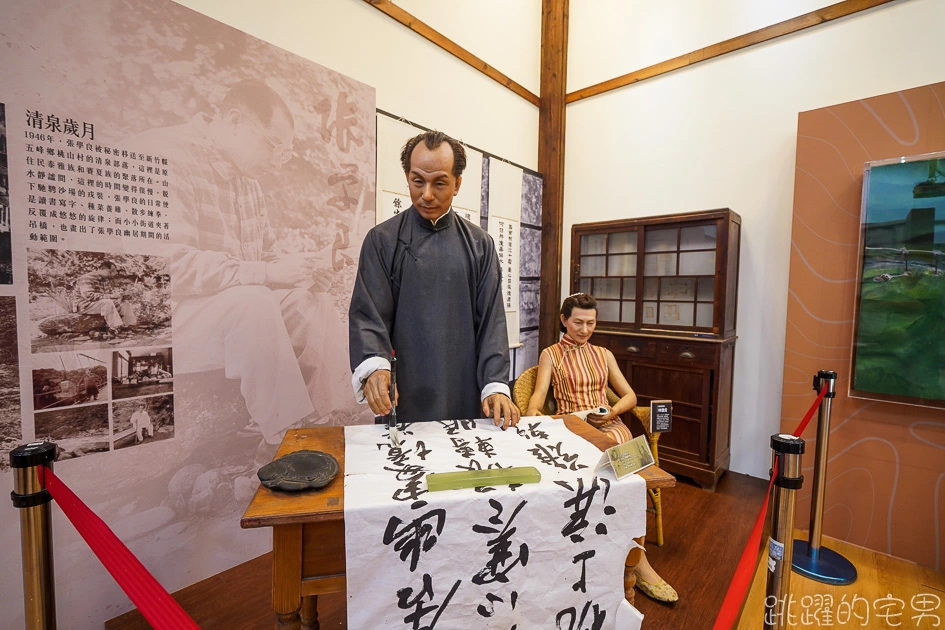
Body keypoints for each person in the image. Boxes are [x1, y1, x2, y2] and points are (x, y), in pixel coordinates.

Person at [126, 79, 349, 444]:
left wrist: (305, 273)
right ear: (234, 121)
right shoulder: (166, 154)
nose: (275, 162)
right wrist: (265, 273)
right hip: (167, 319)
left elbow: (267, 259)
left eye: (283, 154)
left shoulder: (248, 182)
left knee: (310, 300)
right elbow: (165, 267)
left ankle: (335, 419)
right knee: (252, 300)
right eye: (273, 147)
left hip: (230, 313)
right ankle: (287, 440)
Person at [348, 131, 519, 428]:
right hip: (405, 391)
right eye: (417, 181)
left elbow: (492, 321)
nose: (426, 194)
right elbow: (368, 314)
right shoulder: (382, 240)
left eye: (439, 182)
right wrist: (375, 366)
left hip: (465, 388)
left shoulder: (480, 245)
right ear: (407, 177)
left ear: (457, 184)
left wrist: (495, 384)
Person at [525, 292, 679, 603]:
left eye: (591, 323)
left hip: (610, 426)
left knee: (633, 474)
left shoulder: (603, 354)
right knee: (612, 477)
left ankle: (636, 558)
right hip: (573, 429)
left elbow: (629, 397)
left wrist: (611, 412)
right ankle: (620, 556)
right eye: (578, 322)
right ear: (564, 320)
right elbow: (536, 402)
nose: (584, 329)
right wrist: (539, 416)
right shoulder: (551, 355)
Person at [74, 261, 137, 333]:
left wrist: (122, 296)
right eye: (110, 272)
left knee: (125, 302)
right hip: (84, 305)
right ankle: (115, 328)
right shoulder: (86, 278)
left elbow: (108, 294)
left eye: (114, 272)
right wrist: (112, 296)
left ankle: (128, 326)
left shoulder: (105, 279)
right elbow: (88, 295)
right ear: (102, 269)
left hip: (97, 304)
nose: (113, 274)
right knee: (107, 302)